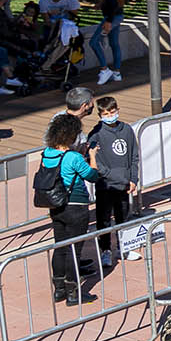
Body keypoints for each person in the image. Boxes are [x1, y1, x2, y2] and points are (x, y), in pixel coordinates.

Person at [37, 115, 99, 306]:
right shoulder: (72, 157)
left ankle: (59, 290)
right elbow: (92, 175)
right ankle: (74, 293)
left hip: (56, 205)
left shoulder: (47, 153)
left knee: (60, 247)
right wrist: (93, 157)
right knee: (75, 250)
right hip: (76, 206)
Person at [86, 96, 139, 269]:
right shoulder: (96, 134)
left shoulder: (127, 130)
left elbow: (133, 156)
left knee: (123, 216)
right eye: (106, 113)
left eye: (113, 112)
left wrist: (133, 179)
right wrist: (113, 176)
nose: (110, 116)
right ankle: (105, 250)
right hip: (105, 186)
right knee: (104, 219)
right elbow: (95, 162)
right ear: (100, 115)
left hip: (124, 184)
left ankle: (124, 247)